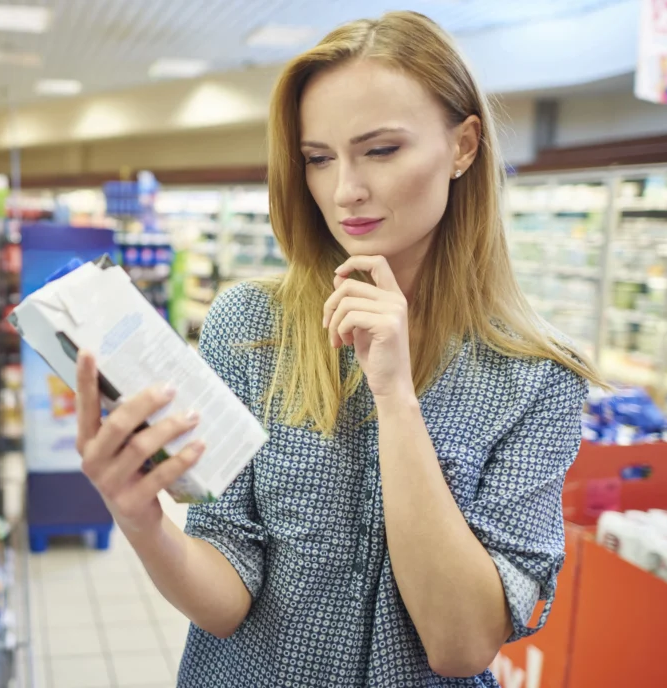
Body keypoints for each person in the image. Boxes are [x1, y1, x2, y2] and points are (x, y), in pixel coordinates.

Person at [74, 11, 603, 687]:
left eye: (380, 150)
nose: (344, 189)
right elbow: (230, 589)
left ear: (465, 145)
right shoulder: (249, 326)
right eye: (318, 158)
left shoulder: (536, 378)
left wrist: (396, 398)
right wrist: (141, 519)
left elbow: (461, 644)